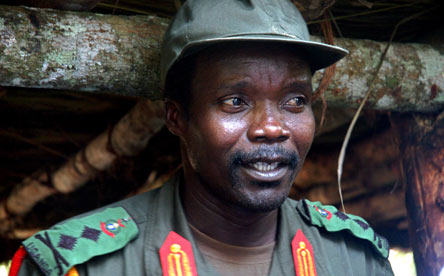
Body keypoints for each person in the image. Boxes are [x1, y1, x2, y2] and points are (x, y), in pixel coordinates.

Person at [10, 0, 394, 275]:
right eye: (235, 101)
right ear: (177, 118)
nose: (272, 128)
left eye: (295, 100)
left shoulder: (354, 259)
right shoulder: (82, 265)